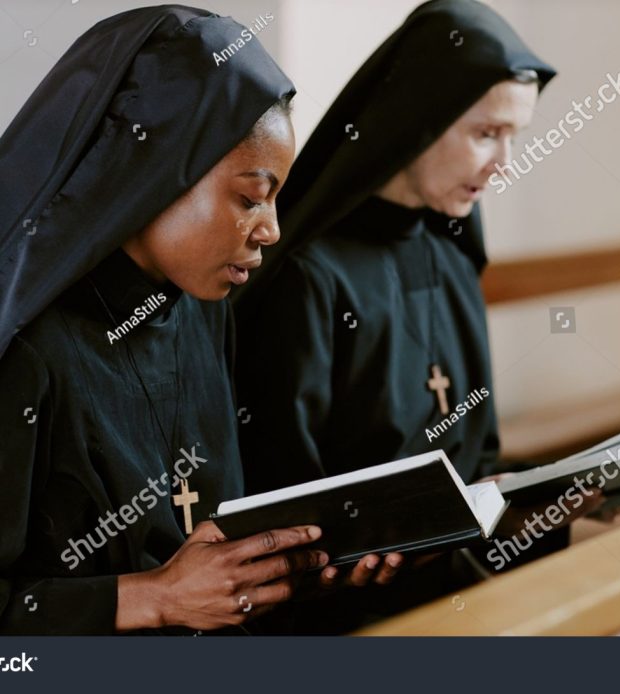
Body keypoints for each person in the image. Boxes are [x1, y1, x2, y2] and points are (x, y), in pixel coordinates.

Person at [0, 4, 390, 636]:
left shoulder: (205, 312)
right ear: (153, 172)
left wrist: (318, 565)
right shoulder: (26, 347)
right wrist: (154, 597)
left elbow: (214, 543)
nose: (271, 230)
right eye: (249, 197)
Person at [234, 0, 602, 632]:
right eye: (486, 134)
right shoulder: (308, 275)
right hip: (347, 614)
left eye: (515, 136)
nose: (503, 163)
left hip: (457, 573)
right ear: (418, 118)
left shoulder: (451, 250)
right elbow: (285, 499)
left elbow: (478, 459)